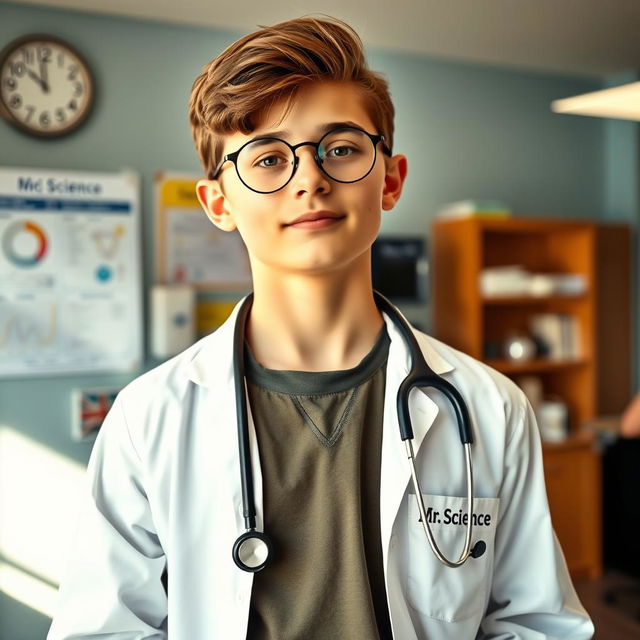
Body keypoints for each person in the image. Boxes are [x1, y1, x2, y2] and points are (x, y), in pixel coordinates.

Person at [48, 16, 594, 639]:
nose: (310, 178)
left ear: (389, 179)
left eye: (341, 148)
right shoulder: (149, 418)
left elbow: (535, 623)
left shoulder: (489, 407)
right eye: (268, 157)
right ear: (219, 203)